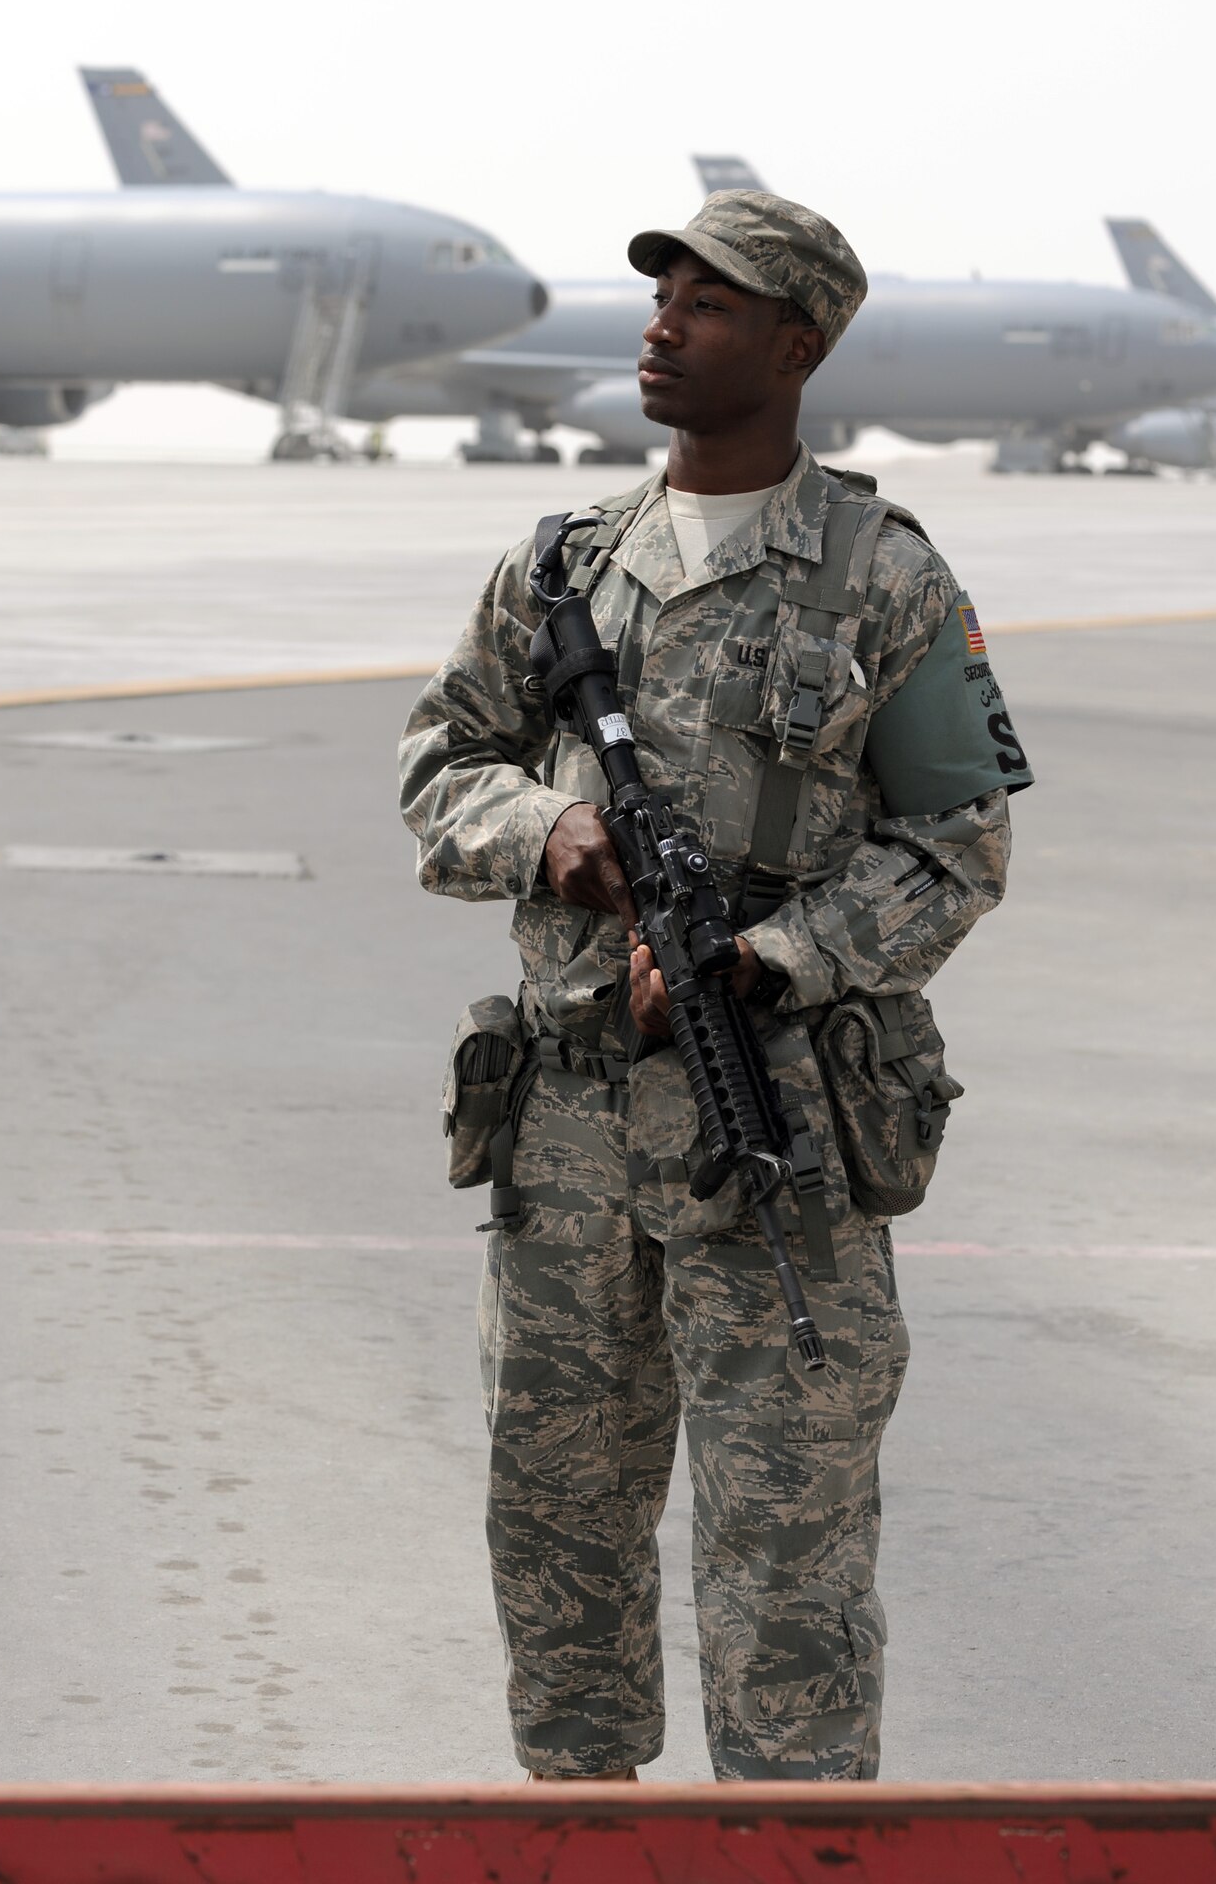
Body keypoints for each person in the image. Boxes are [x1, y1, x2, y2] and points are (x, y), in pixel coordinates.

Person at [398, 190, 1031, 1783]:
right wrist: (551, 833)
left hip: (783, 1142)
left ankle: (791, 1851)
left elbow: (959, 843)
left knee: (790, 1561)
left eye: (713, 303)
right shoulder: (561, 568)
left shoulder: (887, 579)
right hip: (566, 1140)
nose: (663, 324)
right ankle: (584, 1831)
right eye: (662, 292)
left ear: (799, 347)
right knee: (558, 1539)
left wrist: (772, 957)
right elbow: (437, 760)